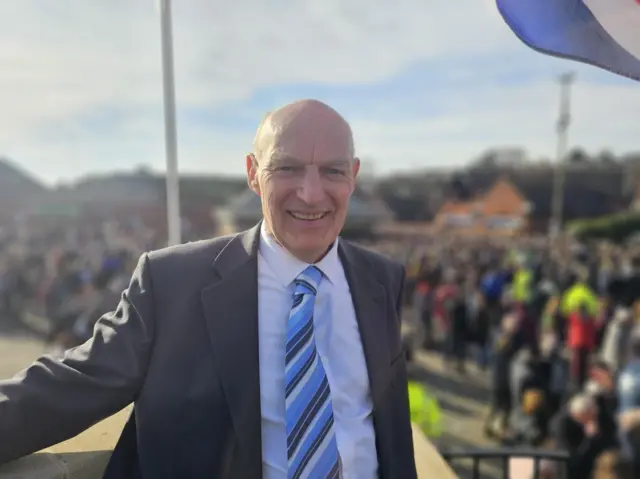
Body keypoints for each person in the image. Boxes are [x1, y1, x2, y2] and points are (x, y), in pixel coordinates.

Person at [0, 99, 418, 478]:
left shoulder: (380, 279)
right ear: (254, 174)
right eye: (286, 168)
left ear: (354, 176)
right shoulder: (173, 281)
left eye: (332, 170)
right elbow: (74, 383)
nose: (311, 194)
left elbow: (382, 422)